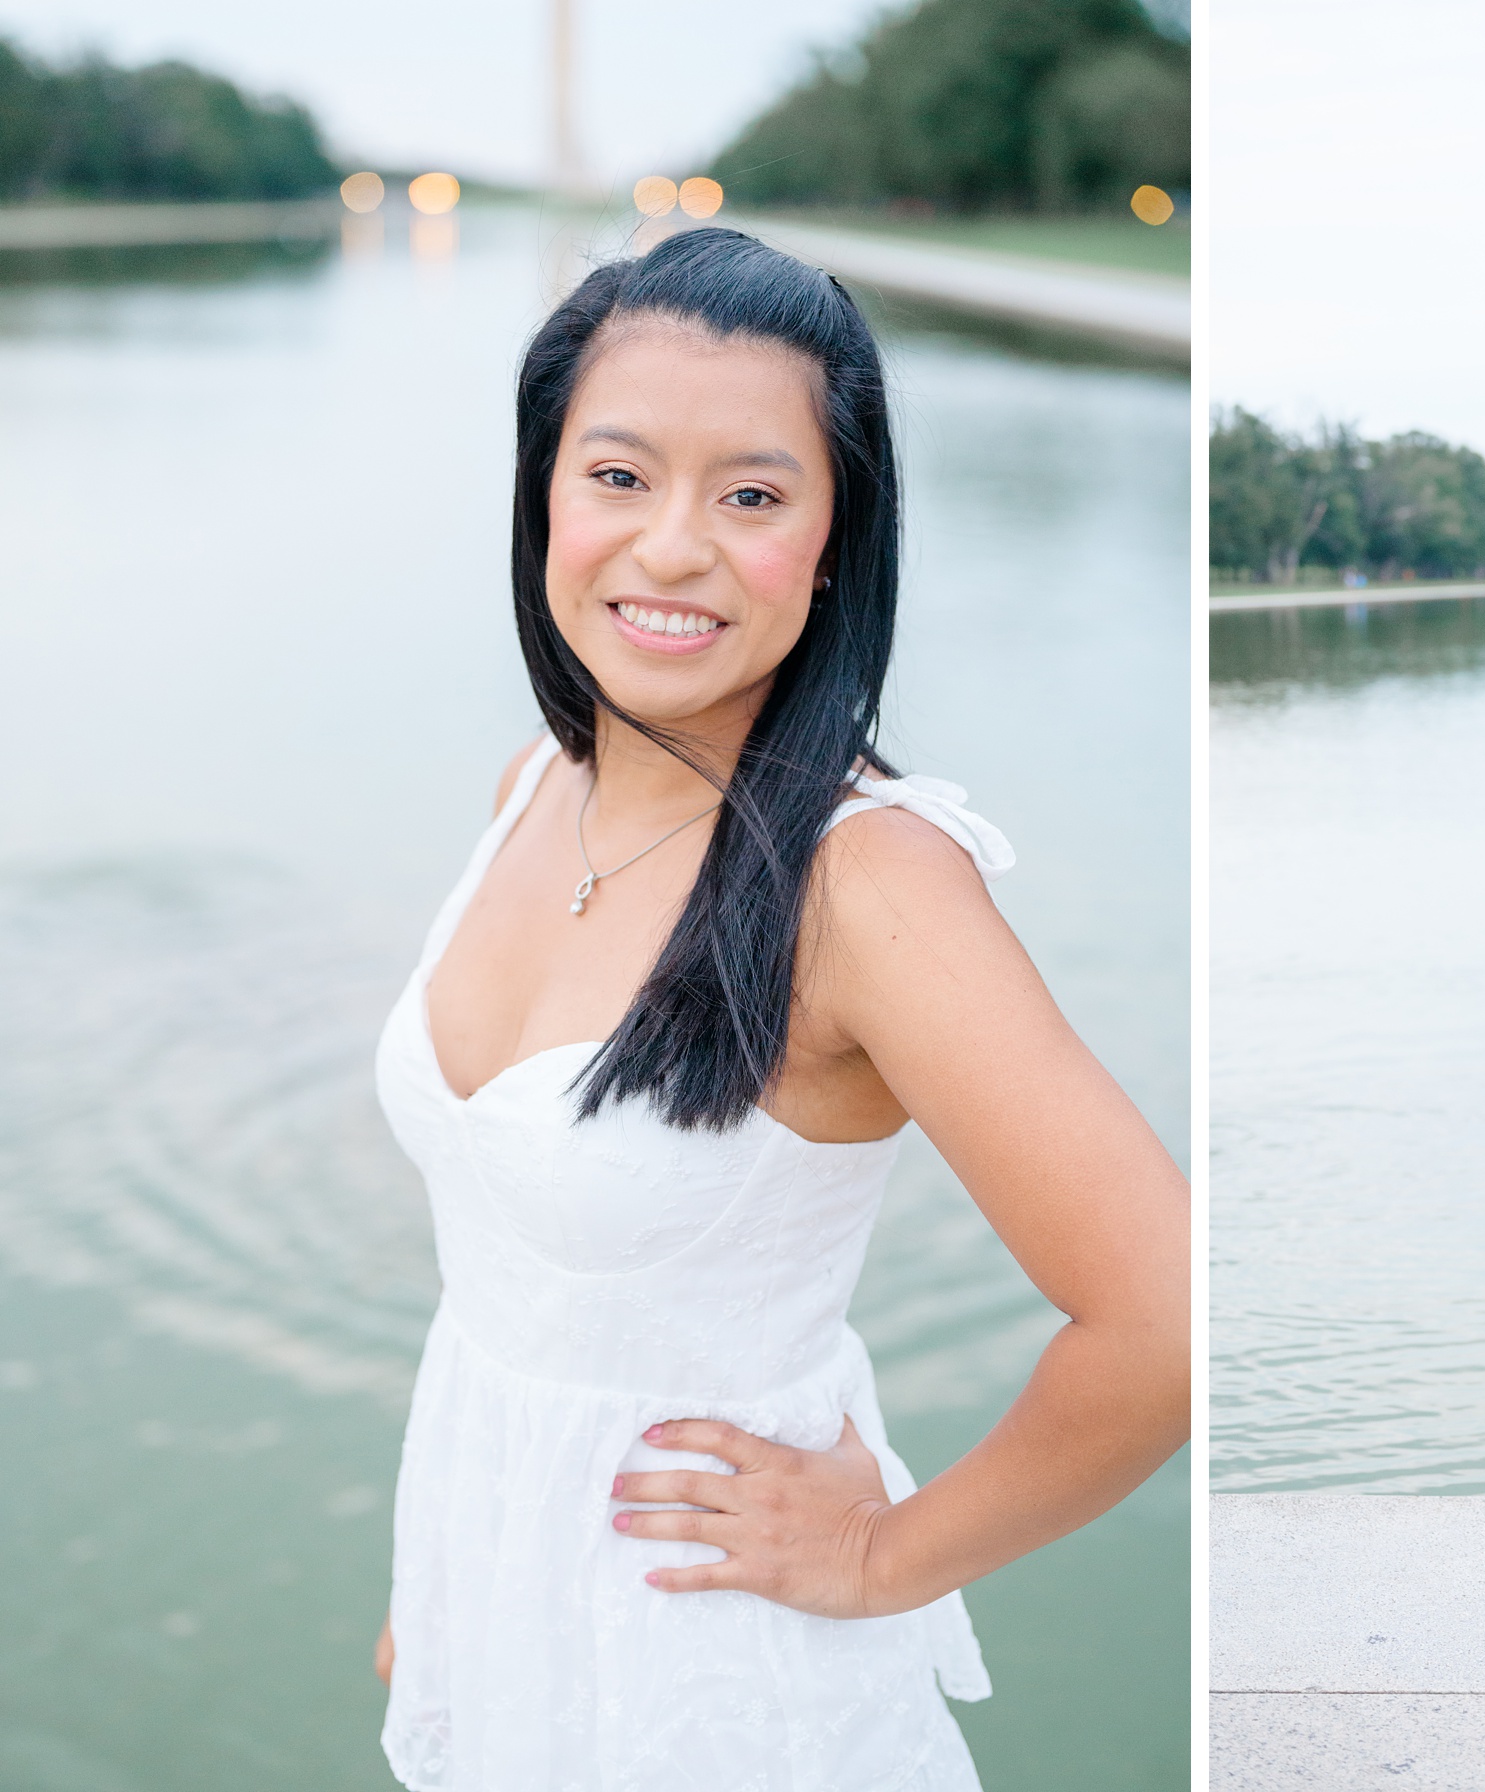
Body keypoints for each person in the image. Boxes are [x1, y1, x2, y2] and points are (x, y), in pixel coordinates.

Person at [368, 227, 1189, 1787]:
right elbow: (513, 1283)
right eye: (617, 476)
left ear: (833, 540)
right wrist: (448, 1581)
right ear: (544, 490)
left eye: (750, 495)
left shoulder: (865, 884)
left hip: (715, 1683)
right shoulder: (536, 785)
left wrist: (885, 1559)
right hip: (506, 1636)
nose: (670, 547)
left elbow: (1166, 1326)